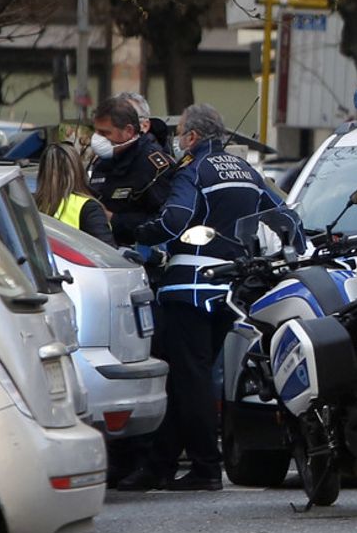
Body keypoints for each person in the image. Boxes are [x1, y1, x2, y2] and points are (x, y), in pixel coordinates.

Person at [116, 103, 299, 492]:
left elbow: (173, 221)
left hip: (189, 288)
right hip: (231, 290)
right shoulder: (248, 172)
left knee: (189, 380)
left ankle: (205, 467)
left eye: (181, 132)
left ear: (193, 137)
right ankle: (161, 464)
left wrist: (133, 231)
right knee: (191, 378)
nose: (179, 139)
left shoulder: (193, 170)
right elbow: (287, 219)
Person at [88, 96, 174, 245]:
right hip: (104, 246)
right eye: (96, 132)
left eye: (105, 133)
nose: (97, 138)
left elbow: (166, 220)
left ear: (128, 131)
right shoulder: (104, 159)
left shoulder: (151, 165)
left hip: (141, 254)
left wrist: (113, 219)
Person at [35, 142, 115, 245]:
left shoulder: (32, 206)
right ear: (78, 170)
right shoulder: (89, 207)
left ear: (42, 173)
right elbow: (107, 253)